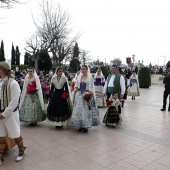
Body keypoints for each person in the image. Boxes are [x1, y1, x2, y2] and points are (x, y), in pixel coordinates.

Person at [0, 62, 25, 166]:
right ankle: (0, 157)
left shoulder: (13, 83)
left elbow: (14, 101)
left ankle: (22, 152)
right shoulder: (1, 82)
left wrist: (4, 114)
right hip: (1, 113)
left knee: (15, 134)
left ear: (1, 70)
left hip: (10, 114)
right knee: (1, 135)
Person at [71, 65, 100, 133]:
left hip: (86, 95)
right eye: (82, 69)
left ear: (87, 70)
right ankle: (80, 125)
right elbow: (76, 86)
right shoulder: (79, 77)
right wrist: (74, 93)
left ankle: (85, 126)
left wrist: (90, 95)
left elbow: (92, 87)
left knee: (86, 111)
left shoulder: (89, 78)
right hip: (79, 95)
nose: (82, 70)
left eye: (84, 69)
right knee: (79, 111)